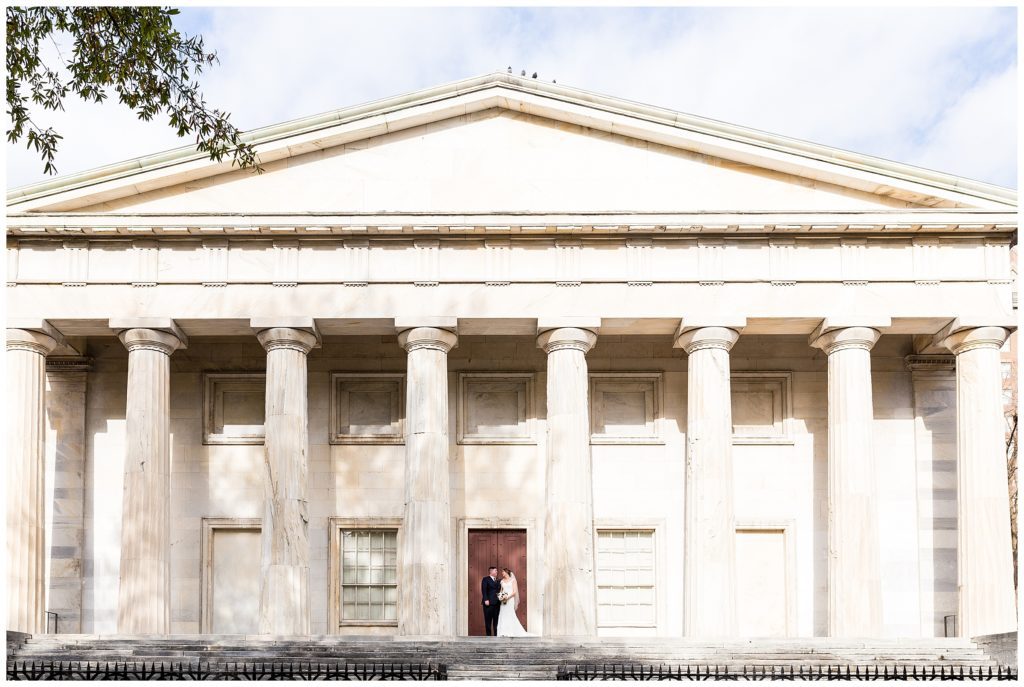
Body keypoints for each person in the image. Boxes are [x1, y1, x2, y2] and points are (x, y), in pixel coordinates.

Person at [496, 567, 533, 637]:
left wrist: (507, 597)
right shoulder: (502, 581)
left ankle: (510, 631)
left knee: (510, 614)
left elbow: (514, 592)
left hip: (510, 600)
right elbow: (501, 591)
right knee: (503, 614)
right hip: (504, 600)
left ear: (506, 572)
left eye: (503, 572)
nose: (502, 573)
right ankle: (503, 632)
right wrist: (501, 597)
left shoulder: (512, 580)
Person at [481, 565, 501, 636]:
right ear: (491, 571)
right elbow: (484, 590)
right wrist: (486, 599)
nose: (497, 572)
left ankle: (496, 635)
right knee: (488, 620)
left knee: (496, 621)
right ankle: (488, 636)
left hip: (497, 604)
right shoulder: (485, 579)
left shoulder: (498, 581)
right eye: (496, 570)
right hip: (488, 603)